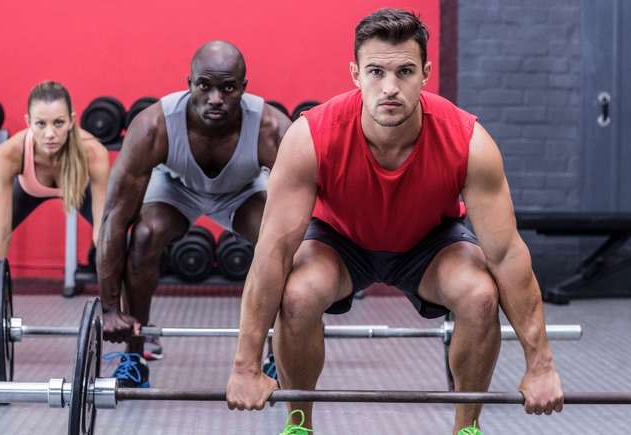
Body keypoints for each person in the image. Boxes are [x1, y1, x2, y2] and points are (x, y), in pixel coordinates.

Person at [225, 9, 564, 435]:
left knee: (480, 296)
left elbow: (507, 254)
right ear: (354, 74)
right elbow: (272, 253)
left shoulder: (469, 142)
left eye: (404, 71)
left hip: (429, 244)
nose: (389, 88)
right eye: (375, 72)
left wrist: (541, 366)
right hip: (340, 241)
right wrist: (246, 366)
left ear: (425, 73)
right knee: (296, 295)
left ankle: (466, 428)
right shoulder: (311, 137)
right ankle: (298, 424)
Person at [96, 40, 291, 388]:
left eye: (228, 88)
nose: (215, 98)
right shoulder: (153, 127)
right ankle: (134, 355)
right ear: (189, 84)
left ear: (243, 89)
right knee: (144, 236)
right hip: (176, 188)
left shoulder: (272, 130)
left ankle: (278, 355)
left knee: (276, 237)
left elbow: (303, 216)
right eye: (205, 86)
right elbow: (114, 218)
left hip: (242, 190)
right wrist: (109, 309)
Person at [0, 81, 110, 362]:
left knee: (118, 241)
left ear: (72, 120)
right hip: (28, 188)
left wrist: (114, 305)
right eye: (40, 124)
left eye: (58, 123)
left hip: (78, 187)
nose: (50, 133)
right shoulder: (12, 151)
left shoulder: (93, 152)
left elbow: (102, 234)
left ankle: (139, 327)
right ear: (28, 122)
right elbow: (2, 232)